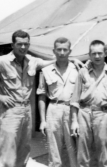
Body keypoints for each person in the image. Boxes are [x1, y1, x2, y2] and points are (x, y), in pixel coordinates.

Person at [0, 30, 83, 167]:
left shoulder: (32, 61)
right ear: (13, 44)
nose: (23, 47)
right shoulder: (1, 62)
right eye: (19, 44)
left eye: (26, 44)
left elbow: (54, 61)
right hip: (10, 112)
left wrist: (72, 59)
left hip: (27, 111)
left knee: (23, 153)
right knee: (8, 156)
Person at [71, 40, 107, 167]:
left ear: (105, 53)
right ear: (89, 55)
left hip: (104, 114)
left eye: (100, 53)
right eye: (94, 54)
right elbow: (75, 99)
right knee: (82, 153)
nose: (97, 56)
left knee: (104, 153)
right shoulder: (82, 72)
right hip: (84, 113)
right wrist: (74, 121)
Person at [37, 37, 78, 167]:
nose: (61, 52)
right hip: (53, 109)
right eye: (58, 49)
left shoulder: (77, 69)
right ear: (53, 51)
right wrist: (43, 120)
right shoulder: (46, 71)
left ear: (69, 51)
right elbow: (42, 96)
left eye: (64, 49)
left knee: (74, 147)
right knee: (54, 149)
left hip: (72, 109)